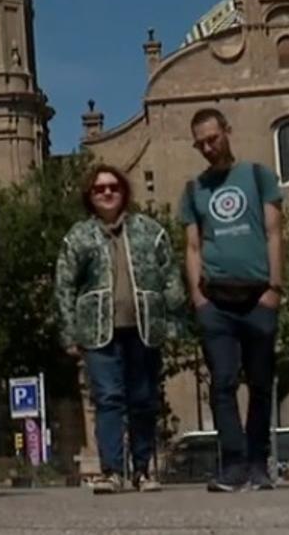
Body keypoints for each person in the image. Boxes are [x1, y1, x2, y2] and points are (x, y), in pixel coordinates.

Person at [55, 165, 185, 494]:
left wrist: (173, 323)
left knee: (143, 399)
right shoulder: (78, 236)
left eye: (113, 186)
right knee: (108, 399)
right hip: (98, 331)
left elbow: (171, 277)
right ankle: (111, 470)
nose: (107, 193)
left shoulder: (150, 231)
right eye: (99, 189)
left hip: (144, 328)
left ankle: (142, 470)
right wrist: (69, 333)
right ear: (90, 196)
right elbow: (64, 286)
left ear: (124, 191)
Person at [181, 108, 284, 493]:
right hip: (216, 302)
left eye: (213, 138)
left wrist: (275, 288)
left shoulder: (257, 177)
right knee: (222, 384)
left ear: (227, 131)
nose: (208, 147)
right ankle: (235, 465)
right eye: (201, 143)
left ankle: (259, 463)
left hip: (258, 296)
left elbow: (275, 233)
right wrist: (197, 298)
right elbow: (192, 246)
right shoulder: (194, 190)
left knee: (260, 382)